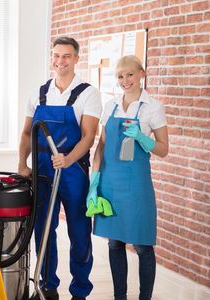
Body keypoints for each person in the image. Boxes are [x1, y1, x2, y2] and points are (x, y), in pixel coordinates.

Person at [17, 36, 102, 300]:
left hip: (73, 171)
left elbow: (89, 135)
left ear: (76, 59)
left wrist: (67, 159)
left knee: (78, 231)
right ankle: (47, 286)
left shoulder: (88, 93)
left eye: (66, 56)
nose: (60, 61)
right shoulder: (40, 92)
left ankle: (79, 290)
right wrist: (22, 163)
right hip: (42, 172)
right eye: (56, 55)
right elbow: (26, 133)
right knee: (43, 229)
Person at [89, 55, 169, 300]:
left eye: (130, 74)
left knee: (143, 245)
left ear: (142, 74)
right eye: (121, 76)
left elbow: (163, 149)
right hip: (110, 182)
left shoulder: (152, 107)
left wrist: (142, 138)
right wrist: (94, 184)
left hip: (136, 185)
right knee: (114, 243)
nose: (125, 80)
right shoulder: (111, 105)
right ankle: (119, 297)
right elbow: (101, 146)